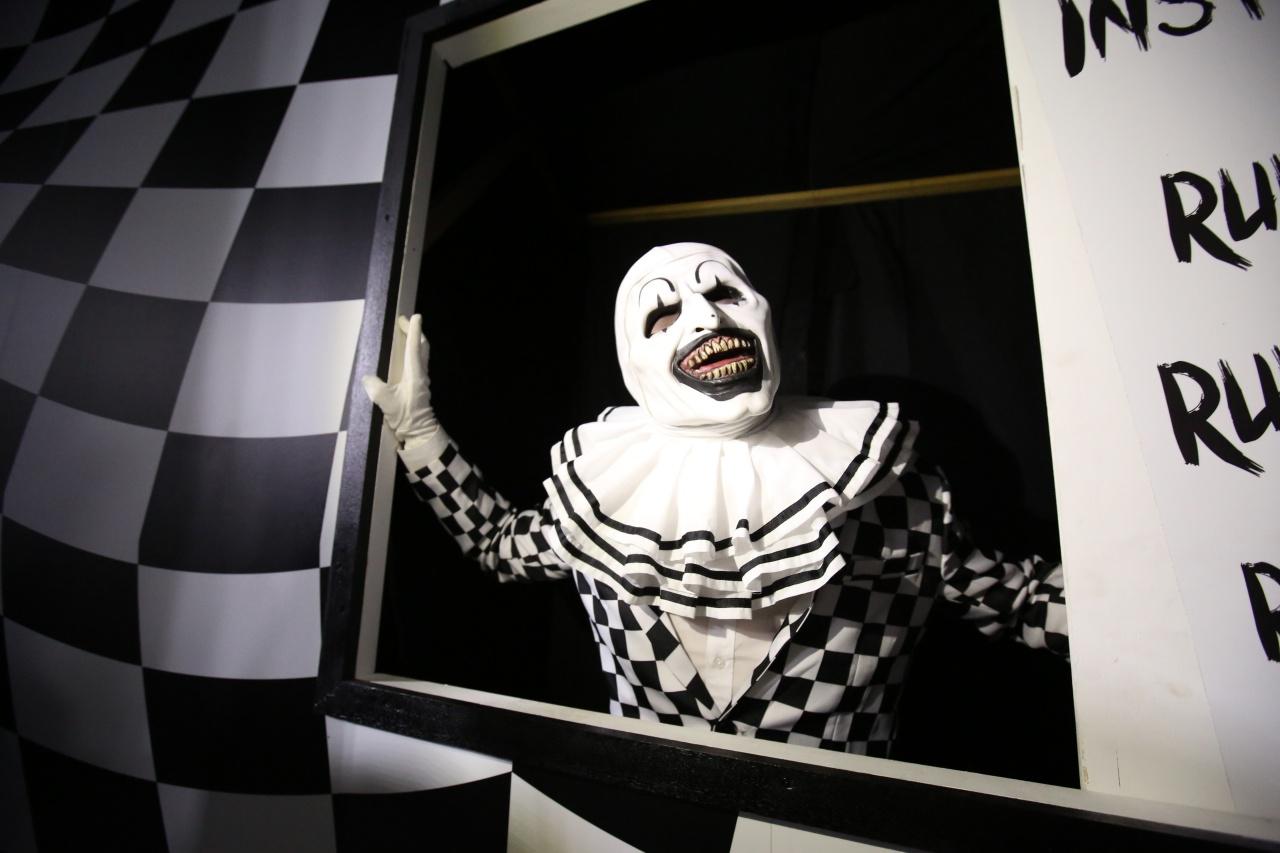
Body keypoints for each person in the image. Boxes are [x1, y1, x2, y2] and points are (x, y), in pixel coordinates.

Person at [363, 242, 1067, 756]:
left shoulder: (891, 496)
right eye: (663, 312)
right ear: (632, 359)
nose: (705, 318)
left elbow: (1025, 606)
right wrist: (417, 433)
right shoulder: (599, 505)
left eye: (725, 293)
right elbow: (497, 546)